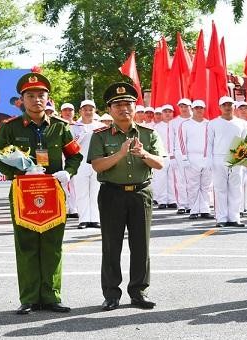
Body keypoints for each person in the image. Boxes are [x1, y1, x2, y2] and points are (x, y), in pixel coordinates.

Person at [0, 72, 82, 314]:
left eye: (41, 95)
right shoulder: (11, 127)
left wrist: (68, 172)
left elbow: (75, 155)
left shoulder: (60, 127)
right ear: (22, 100)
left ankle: (52, 296)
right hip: (23, 192)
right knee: (26, 245)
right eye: (30, 96)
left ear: (48, 99)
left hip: (53, 191)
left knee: (52, 245)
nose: (36, 100)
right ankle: (29, 298)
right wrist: (16, 174)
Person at [88, 82, 165, 311]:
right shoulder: (100, 136)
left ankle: (139, 291)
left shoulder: (148, 134)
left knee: (141, 245)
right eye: (118, 105)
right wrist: (120, 154)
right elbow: (98, 166)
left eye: (128, 104)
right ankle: (111, 294)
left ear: (135, 107)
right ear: (110, 109)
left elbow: (159, 163)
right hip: (112, 193)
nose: (124, 109)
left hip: (141, 193)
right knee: (111, 246)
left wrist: (143, 154)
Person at [207, 96, 247, 227]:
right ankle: (221, 218)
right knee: (220, 189)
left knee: (236, 189)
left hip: (236, 157)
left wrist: (244, 160)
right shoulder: (213, 123)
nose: (227, 107)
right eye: (224, 105)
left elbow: (245, 143)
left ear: (234, 107)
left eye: (230, 104)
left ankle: (235, 217)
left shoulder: (242, 124)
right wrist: (209, 161)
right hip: (218, 157)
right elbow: (209, 143)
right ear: (220, 107)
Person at [70, 100, 106, 228]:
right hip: (80, 162)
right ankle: (83, 219)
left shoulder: (101, 126)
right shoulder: (74, 126)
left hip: (96, 161)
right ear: (80, 111)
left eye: (90, 109)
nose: (88, 112)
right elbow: (70, 147)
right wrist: (80, 137)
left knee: (96, 191)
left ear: (94, 111)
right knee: (81, 191)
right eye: (85, 109)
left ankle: (95, 218)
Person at [177, 100, 214, 220]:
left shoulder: (209, 124)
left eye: (201, 108)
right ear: (192, 109)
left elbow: (212, 142)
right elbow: (182, 142)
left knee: (206, 185)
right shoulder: (185, 124)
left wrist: (210, 158)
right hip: (192, 158)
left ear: (204, 109)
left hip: (206, 157)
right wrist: (184, 158)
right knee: (193, 185)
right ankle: (193, 209)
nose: (199, 110)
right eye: (196, 108)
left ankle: (205, 209)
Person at [169, 98, 192, 215]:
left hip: (193, 153)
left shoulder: (196, 120)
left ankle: (193, 204)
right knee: (180, 180)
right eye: (181, 106)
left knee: (193, 180)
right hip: (178, 152)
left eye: (186, 106)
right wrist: (172, 156)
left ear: (190, 107)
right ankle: (182, 204)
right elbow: (171, 139)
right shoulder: (174, 122)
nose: (183, 108)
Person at [151, 106, 177, 209]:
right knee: (160, 179)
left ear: (173, 113)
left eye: (169, 112)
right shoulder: (157, 127)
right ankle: (162, 200)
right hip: (161, 156)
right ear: (162, 114)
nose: (167, 114)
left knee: (173, 179)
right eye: (165, 112)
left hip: (174, 156)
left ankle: (172, 200)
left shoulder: (176, 125)